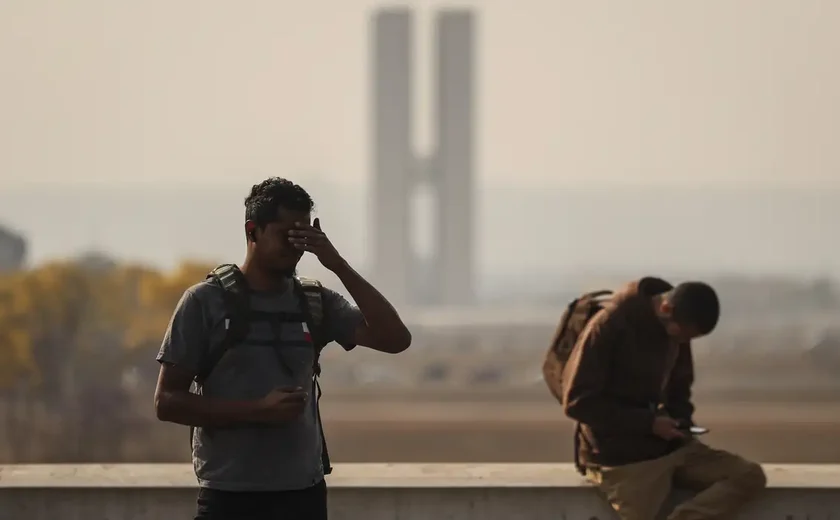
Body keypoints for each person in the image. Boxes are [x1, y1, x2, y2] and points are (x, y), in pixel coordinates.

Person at [154, 177, 412, 520]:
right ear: (253, 231)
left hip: (302, 494)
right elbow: (167, 402)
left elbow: (395, 339)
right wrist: (258, 410)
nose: (296, 247)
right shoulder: (205, 302)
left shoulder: (315, 302)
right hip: (229, 495)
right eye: (286, 235)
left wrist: (336, 264)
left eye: (303, 236)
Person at [561, 277, 766, 520]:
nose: (682, 342)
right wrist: (648, 423)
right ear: (666, 309)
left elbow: (679, 387)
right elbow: (578, 402)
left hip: (667, 447)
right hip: (621, 458)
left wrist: (681, 423)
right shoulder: (610, 325)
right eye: (682, 335)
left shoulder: (676, 329)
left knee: (747, 476)